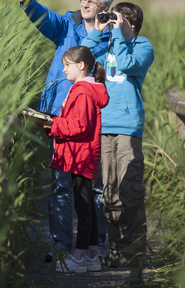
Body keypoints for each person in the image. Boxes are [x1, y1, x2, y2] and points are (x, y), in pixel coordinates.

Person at [16, 0, 114, 261]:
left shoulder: (109, 38)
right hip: (59, 113)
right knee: (60, 184)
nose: (83, 4)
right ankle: (61, 245)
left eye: (90, 2)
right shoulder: (67, 25)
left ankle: (96, 245)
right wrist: (27, 2)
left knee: (92, 187)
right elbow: (47, 20)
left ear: (103, 7)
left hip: (90, 121)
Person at [82, 2, 154, 267]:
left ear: (131, 24)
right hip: (104, 127)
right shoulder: (107, 45)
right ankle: (117, 252)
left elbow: (125, 63)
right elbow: (81, 60)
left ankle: (133, 253)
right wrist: (98, 31)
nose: (113, 23)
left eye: (118, 19)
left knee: (129, 191)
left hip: (127, 127)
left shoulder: (142, 46)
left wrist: (118, 33)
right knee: (110, 193)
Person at [41, 46, 109, 273]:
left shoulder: (81, 91)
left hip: (80, 155)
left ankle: (79, 259)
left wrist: (52, 124)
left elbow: (79, 126)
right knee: (88, 204)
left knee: (83, 208)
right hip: (84, 154)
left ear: (81, 66)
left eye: (67, 64)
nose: (63, 69)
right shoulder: (85, 89)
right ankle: (91, 257)